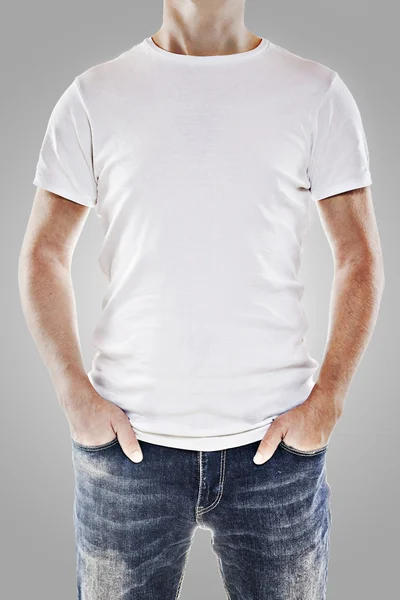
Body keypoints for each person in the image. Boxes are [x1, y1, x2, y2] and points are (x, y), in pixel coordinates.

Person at [19, 1, 384, 598]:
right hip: (127, 453)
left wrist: (330, 401)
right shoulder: (94, 95)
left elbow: (358, 256)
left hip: (277, 450)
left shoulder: (318, 93)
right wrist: (72, 393)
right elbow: (44, 254)